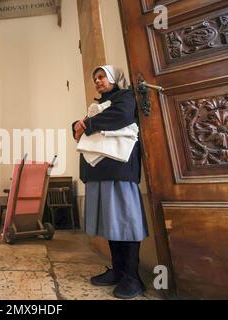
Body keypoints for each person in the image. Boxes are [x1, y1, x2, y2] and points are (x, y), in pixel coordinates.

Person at [72, 65, 148, 299]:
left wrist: (88, 125)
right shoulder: (96, 106)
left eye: (102, 76)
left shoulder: (124, 97)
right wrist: (78, 124)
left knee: (125, 222)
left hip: (119, 171)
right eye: (95, 78)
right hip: (99, 172)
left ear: (114, 78)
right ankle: (118, 271)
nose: (98, 81)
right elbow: (81, 126)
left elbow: (122, 115)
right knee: (111, 223)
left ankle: (133, 278)